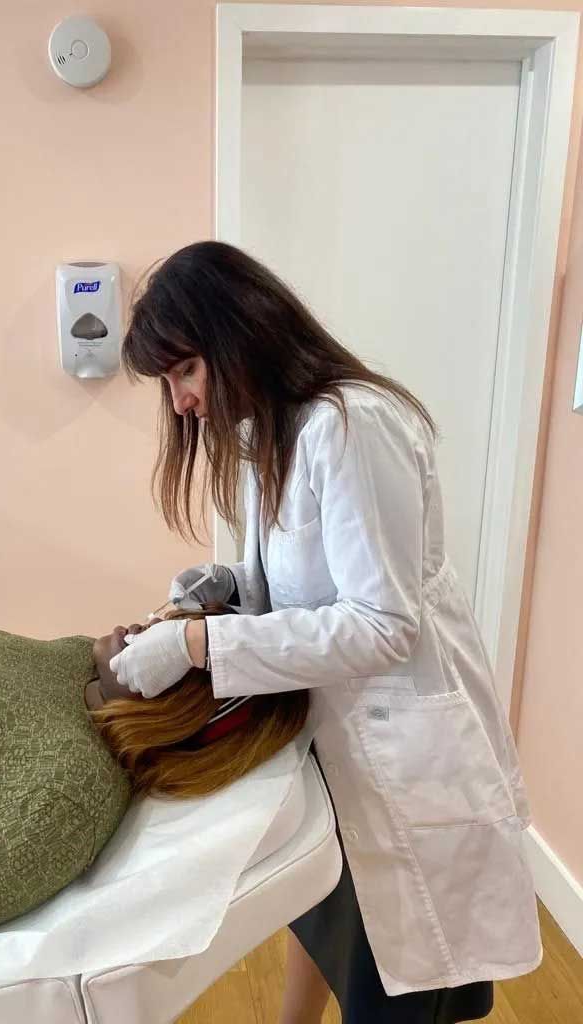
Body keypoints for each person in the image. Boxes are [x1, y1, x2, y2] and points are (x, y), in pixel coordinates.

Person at [109, 241, 542, 1024]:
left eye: (185, 371)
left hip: (406, 757)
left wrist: (199, 647)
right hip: (337, 747)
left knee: (403, 984)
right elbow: (306, 580)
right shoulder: (269, 436)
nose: (179, 402)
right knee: (327, 921)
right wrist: (225, 589)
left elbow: (380, 624)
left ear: (239, 334)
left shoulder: (351, 425)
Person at [0, 607, 307, 980]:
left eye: (174, 641)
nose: (148, 624)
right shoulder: (82, 661)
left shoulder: (62, 797)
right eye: (171, 619)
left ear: (186, 711)